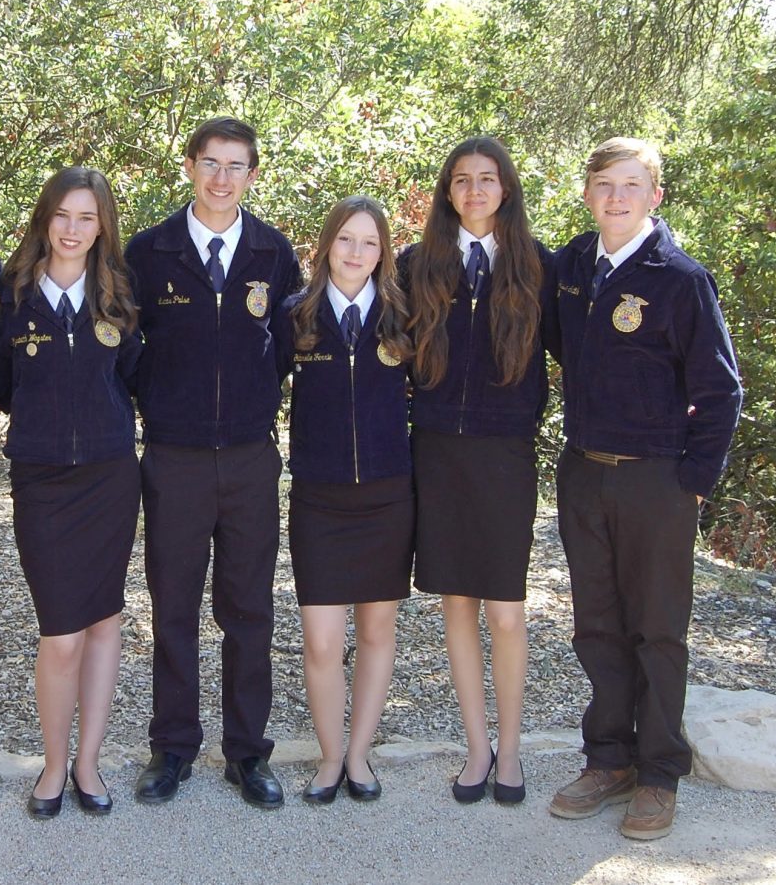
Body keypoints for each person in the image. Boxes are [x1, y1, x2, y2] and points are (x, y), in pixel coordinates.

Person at [547, 137, 742, 840]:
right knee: (596, 624)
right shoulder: (572, 267)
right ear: (588, 193)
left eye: (632, 185)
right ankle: (609, 759)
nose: (617, 197)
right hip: (584, 473)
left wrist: (692, 482)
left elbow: (721, 391)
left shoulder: (680, 279)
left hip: (658, 478)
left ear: (655, 196)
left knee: (657, 629)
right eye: (604, 184)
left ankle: (659, 773)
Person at [125, 116, 302, 809]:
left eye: (236, 166)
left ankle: (247, 753)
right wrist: (160, 397)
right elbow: (125, 339)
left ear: (252, 175)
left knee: (248, 609)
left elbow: (282, 347)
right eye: (211, 163)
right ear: (190, 167)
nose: (222, 178)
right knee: (173, 607)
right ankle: (171, 748)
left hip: (251, 459)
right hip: (174, 457)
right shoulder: (149, 252)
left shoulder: (271, 252)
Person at [401, 137, 550, 805]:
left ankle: (512, 751)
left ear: (506, 189)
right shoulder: (417, 265)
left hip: (504, 454)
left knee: (507, 611)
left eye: (487, 179)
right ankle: (475, 748)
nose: (475, 191)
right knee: (456, 603)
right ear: (447, 193)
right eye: (461, 181)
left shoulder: (538, 268)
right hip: (437, 452)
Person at [0, 166, 141, 819]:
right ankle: (53, 765)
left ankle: (88, 765)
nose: (74, 229)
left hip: (110, 476)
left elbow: (135, 375)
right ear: (44, 219)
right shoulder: (11, 291)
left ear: (102, 225)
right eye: (63, 215)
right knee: (62, 632)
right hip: (43, 479)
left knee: (104, 622)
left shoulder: (118, 293)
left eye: (87, 217)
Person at [272, 196, 414, 805]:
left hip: (388, 497)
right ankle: (329, 759)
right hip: (319, 500)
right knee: (323, 641)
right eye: (346, 240)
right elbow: (259, 393)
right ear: (327, 244)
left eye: (370, 243)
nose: (357, 253)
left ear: (383, 252)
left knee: (378, 632)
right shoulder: (295, 316)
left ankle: (358, 757)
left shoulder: (403, 318)